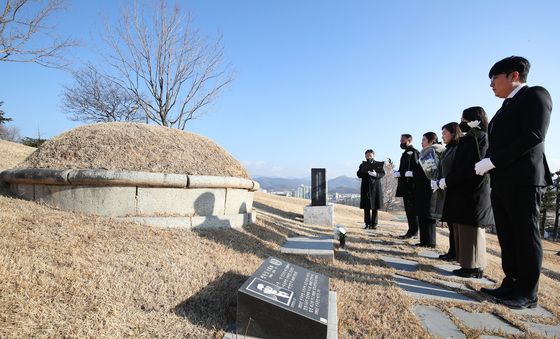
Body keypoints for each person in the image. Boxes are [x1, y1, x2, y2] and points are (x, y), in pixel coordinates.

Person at [475, 56, 552, 309]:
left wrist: (493, 161)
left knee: (526, 235)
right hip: (503, 181)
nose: (491, 85)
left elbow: (534, 135)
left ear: (514, 76)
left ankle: (528, 292)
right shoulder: (505, 107)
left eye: (495, 78)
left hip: (525, 180)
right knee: (508, 235)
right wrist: (488, 162)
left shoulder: (535, 95)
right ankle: (511, 283)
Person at [440, 107, 493, 278]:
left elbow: (472, 165)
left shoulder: (480, 137)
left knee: (472, 229)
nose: (461, 122)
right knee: (464, 229)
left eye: (463, 119)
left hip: (473, 190)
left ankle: (474, 267)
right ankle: (467, 265)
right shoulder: (469, 139)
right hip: (463, 189)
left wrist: (450, 180)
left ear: (473, 120)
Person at [413, 132, 445, 248]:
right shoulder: (427, 151)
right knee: (422, 214)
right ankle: (424, 241)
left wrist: (415, 173)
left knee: (429, 215)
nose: (421, 142)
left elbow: (431, 171)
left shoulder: (433, 151)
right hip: (423, 187)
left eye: (424, 140)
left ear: (431, 141)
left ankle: (430, 241)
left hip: (430, 187)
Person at [438, 122, 462, 261]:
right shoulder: (449, 148)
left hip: (454, 187)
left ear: (453, 133)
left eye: (445, 133)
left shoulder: (458, 148)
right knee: (451, 224)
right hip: (448, 187)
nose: (443, 136)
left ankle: (455, 252)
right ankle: (452, 251)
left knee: (454, 223)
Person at [394, 134, 420, 239]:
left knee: (412, 210)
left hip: (411, 186)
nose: (401, 142)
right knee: (408, 210)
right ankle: (411, 230)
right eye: (400, 140)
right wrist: (399, 172)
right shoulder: (405, 153)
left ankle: (414, 231)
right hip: (405, 185)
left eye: (403, 140)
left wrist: (410, 173)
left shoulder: (414, 152)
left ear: (409, 140)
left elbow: (417, 168)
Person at [357, 149, 386, 229]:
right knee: (366, 207)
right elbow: (358, 174)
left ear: (373, 155)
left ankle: (374, 224)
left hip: (375, 187)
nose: (368, 157)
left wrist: (375, 174)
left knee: (375, 207)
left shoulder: (378, 164)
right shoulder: (362, 164)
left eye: (370, 155)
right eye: (367, 155)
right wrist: (363, 172)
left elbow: (382, 173)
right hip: (366, 187)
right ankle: (367, 224)